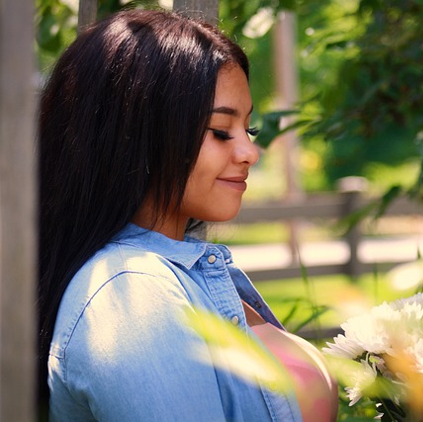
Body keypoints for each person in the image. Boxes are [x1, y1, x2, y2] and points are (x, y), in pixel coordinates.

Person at [37, 9, 337, 421]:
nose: (250, 152)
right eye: (220, 131)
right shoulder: (132, 297)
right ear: (139, 131)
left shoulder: (182, 271)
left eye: (248, 130)